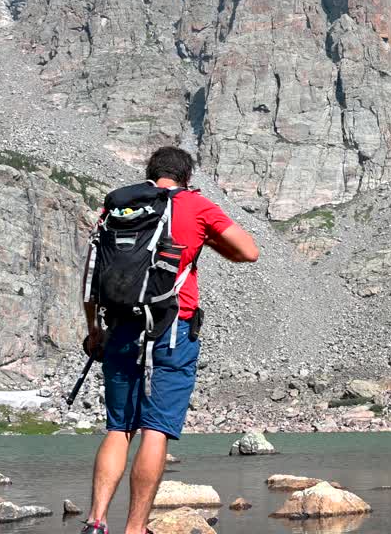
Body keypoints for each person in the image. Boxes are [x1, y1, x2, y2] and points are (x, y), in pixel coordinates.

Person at [81, 146, 258, 534]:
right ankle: (134, 529)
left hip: (120, 327)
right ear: (187, 177)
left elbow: (93, 273)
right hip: (171, 328)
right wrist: (205, 240)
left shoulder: (119, 207)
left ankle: (96, 523)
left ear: (150, 173)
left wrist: (94, 329)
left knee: (118, 428)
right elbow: (250, 251)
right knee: (155, 429)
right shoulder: (196, 206)